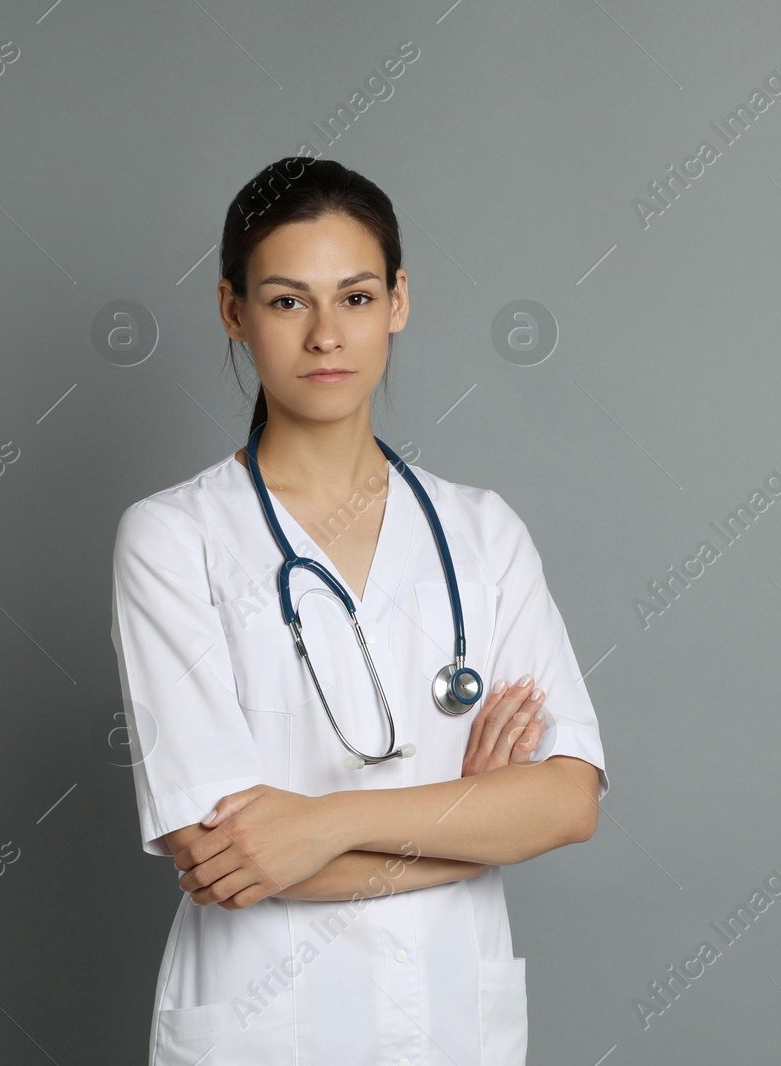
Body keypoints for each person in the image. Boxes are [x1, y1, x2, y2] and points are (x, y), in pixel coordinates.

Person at [108, 156, 608, 1065]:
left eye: (357, 297)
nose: (327, 335)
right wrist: (476, 822)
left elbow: (569, 800)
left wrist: (323, 823)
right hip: (262, 1022)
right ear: (233, 311)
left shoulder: (482, 533)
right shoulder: (171, 538)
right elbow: (225, 857)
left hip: (452, 1017)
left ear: (399, 302)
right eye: (288, 301)